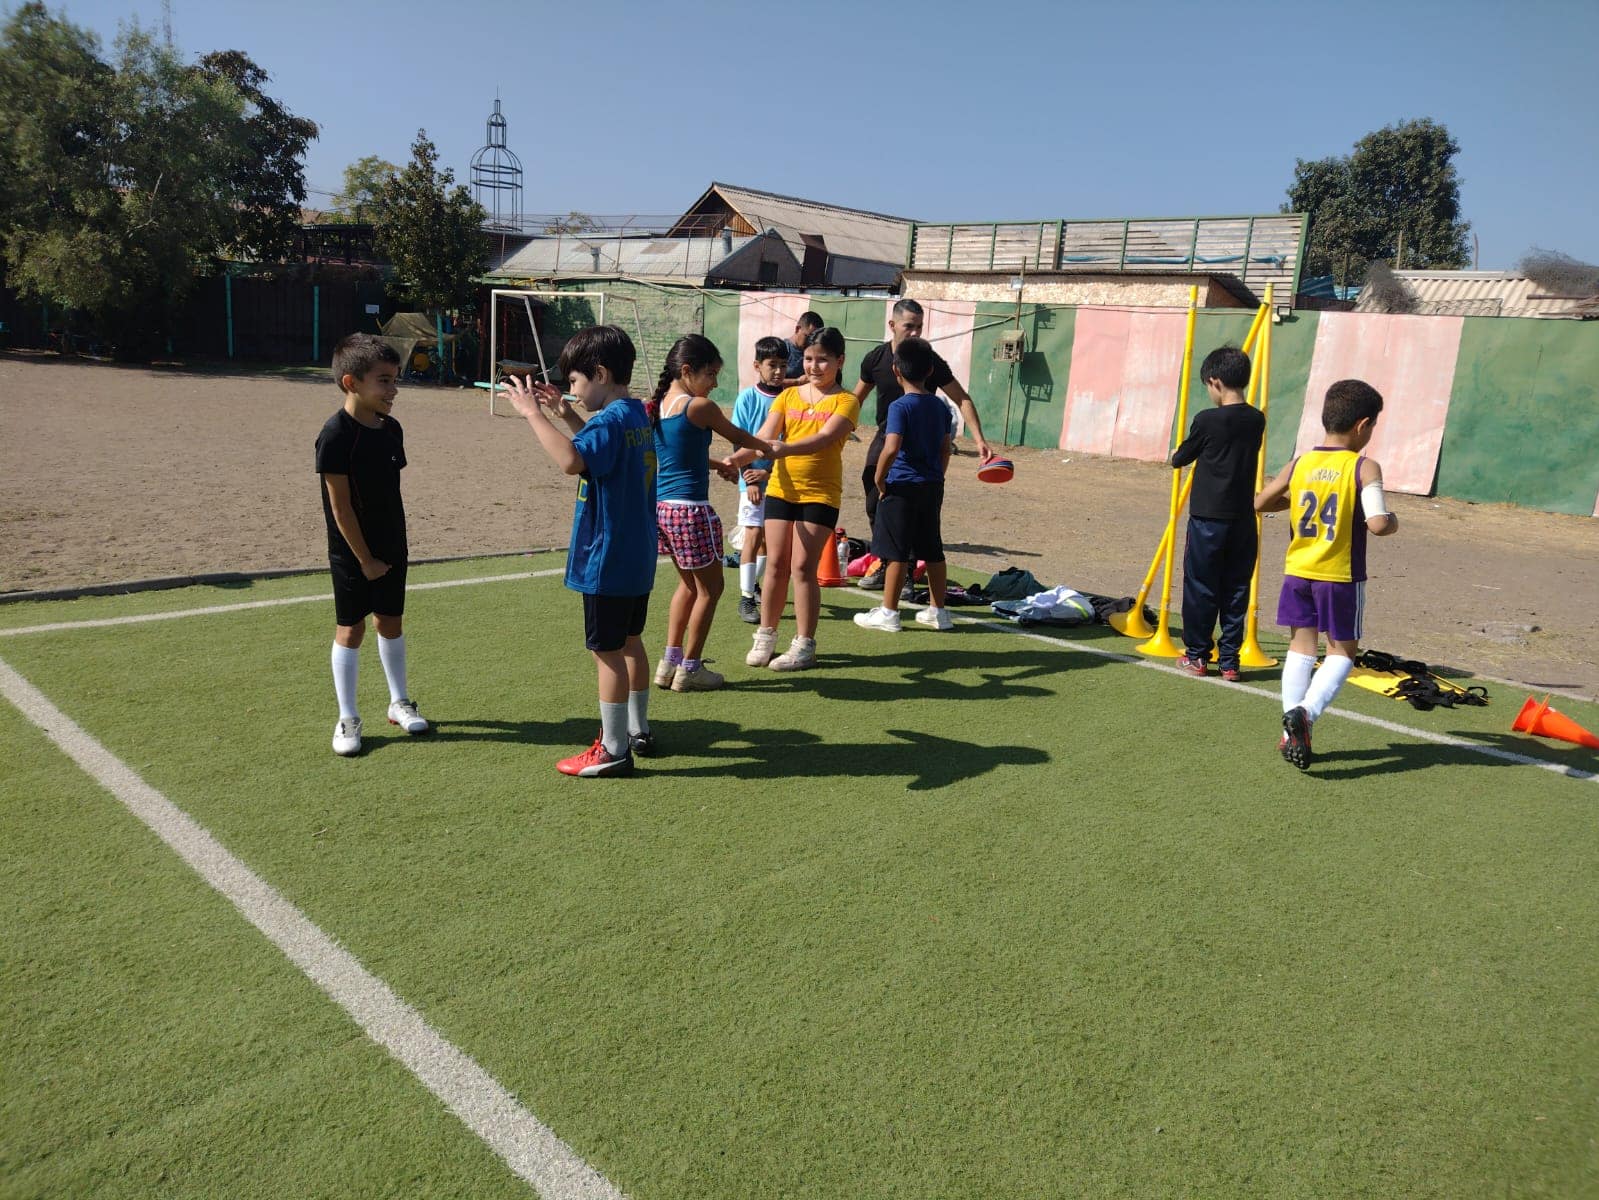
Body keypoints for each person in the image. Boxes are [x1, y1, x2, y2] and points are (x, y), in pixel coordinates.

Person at [503, 326, 657, 778]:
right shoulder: (635, 413)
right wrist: (567, 413)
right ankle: (637, 730)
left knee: (607, 652)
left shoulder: (610, 422)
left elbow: (573, 460)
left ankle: (613, 749)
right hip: (637, 554)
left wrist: (533, 414)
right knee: (630, 641)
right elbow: (600, 451)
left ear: (601, 374)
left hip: (608, 558)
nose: (571, 390)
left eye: (575, 381)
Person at [1255, 379, 1399, 770]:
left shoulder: (1300, 463)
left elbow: (1261, 502)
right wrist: (1393, 521)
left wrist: (1296, 501)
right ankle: (1306, 714)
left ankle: (1290, 734)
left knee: (1300, 649)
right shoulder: (1363, 466)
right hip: (1339, 576)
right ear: (1362, 425)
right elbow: (1378, 523)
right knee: (1342, 652)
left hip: (1298, 571)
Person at [315, 333, 429, 757]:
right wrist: (364, 560)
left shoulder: (391, 429)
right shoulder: (334, 436)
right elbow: (340, 507)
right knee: (352, 628)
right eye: (384, 381)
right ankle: (347, 716)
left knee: (391, 622)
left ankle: (399, 702)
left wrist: (388, 550)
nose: (393, 389)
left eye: (395, 380)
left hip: (392, 543)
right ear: (351, 383)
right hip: (351, 552)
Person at [648, 334, 774, 692]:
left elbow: (680, 456)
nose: (715, 383)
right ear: (688, 370)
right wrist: (769, 448)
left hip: (664, 509)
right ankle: (690, 668)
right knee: (711, 589)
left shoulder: (658, 405)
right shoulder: (699, 407)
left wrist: (719, 464)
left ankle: (669, 662)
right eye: (711, 374)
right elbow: (740, 436)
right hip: (691, 511)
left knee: (689, 586)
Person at [732, 326, 859, 671]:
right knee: (775, 563)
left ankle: (804, 645)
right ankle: (766, 635)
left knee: (802, 568)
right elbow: (763, 437)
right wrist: (735, 460)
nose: (814, 366)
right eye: (809, 359)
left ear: (840, 361)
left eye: (823, 360)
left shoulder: (846, 401)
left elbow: (824, 439)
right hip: (780, 490)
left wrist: (783, 449)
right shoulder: (788, 396)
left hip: (820, 493)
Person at [853, 299, 992, 590]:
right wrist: (837, 429)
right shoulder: (876, 359)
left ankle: (907, 571)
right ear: (892, 325)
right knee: (875, 497)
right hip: (887, 437)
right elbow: (856, 399)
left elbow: (962, 398)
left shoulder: (929, 361)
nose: (915, 332)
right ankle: (887, 563)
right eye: (909, 326)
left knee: (914, 506)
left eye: (919, 327)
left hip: (920, 443)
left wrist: (979, 439)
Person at [1170, 346, 1266, 681]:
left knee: (1201, 585)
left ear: (1215, 382)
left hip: (1208, 518)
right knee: (1236, 587)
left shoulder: (1207, 420)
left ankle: (1197, 654)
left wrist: (1177, 452)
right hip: (1243, 518)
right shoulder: (1256, 419)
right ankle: (1229, 661)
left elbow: (1181, 457)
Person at [853, 337, 955, 633]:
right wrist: (937, 475)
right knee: (933, 549)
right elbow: (945, 448)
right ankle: (939, 611)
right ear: (931, 370)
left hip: (900, 486)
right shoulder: (940, 406)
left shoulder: (899, 406)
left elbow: (891, 447)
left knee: (896, 550)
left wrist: (879, 478)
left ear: (896, 370)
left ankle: (889, 612)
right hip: (931, 486)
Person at [731, 336, 789, 623]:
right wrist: (750, 480)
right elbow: (737, 440)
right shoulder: (747, 398)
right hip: (751, 478)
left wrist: (770, 472)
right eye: (772, 365)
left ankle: (754, 585)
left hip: (778, 478)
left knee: (768, 538)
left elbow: (790, 443)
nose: (778, 371)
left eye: (783, 365)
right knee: (753, 534)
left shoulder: (789, 399)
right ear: (757, 366)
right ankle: (745, 598)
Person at [785, 311, 823, 384]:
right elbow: (769, 382)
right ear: (797, 329)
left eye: (815, 339)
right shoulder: (782, 348)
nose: (811, 341)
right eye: (809, 337)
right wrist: (797, 382)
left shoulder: (813, 352)